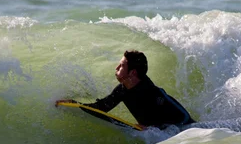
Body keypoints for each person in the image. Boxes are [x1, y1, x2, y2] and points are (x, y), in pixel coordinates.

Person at [56, 50, 194, 129]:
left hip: (186, 128)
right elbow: (102, 107)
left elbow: (183, 117)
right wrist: (76, 104)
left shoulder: (152, 93)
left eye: (121, 66)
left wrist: (156, 128)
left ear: (132, 73)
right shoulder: (123, 89)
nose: (116, 68)